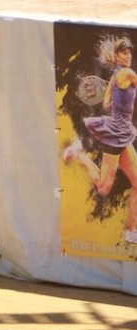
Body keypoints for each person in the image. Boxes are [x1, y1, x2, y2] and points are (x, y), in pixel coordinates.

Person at [62, 34, 137, 244]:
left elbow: (106, 104)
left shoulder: (115, 76)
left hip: (122, 131)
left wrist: (122, 105)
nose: (128, 55)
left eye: (130, 51)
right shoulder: (128, 74)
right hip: (116, 136)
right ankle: (80, 155)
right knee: (104, 188)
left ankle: (132, 231)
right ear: (116, 56)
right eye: (124, 52)